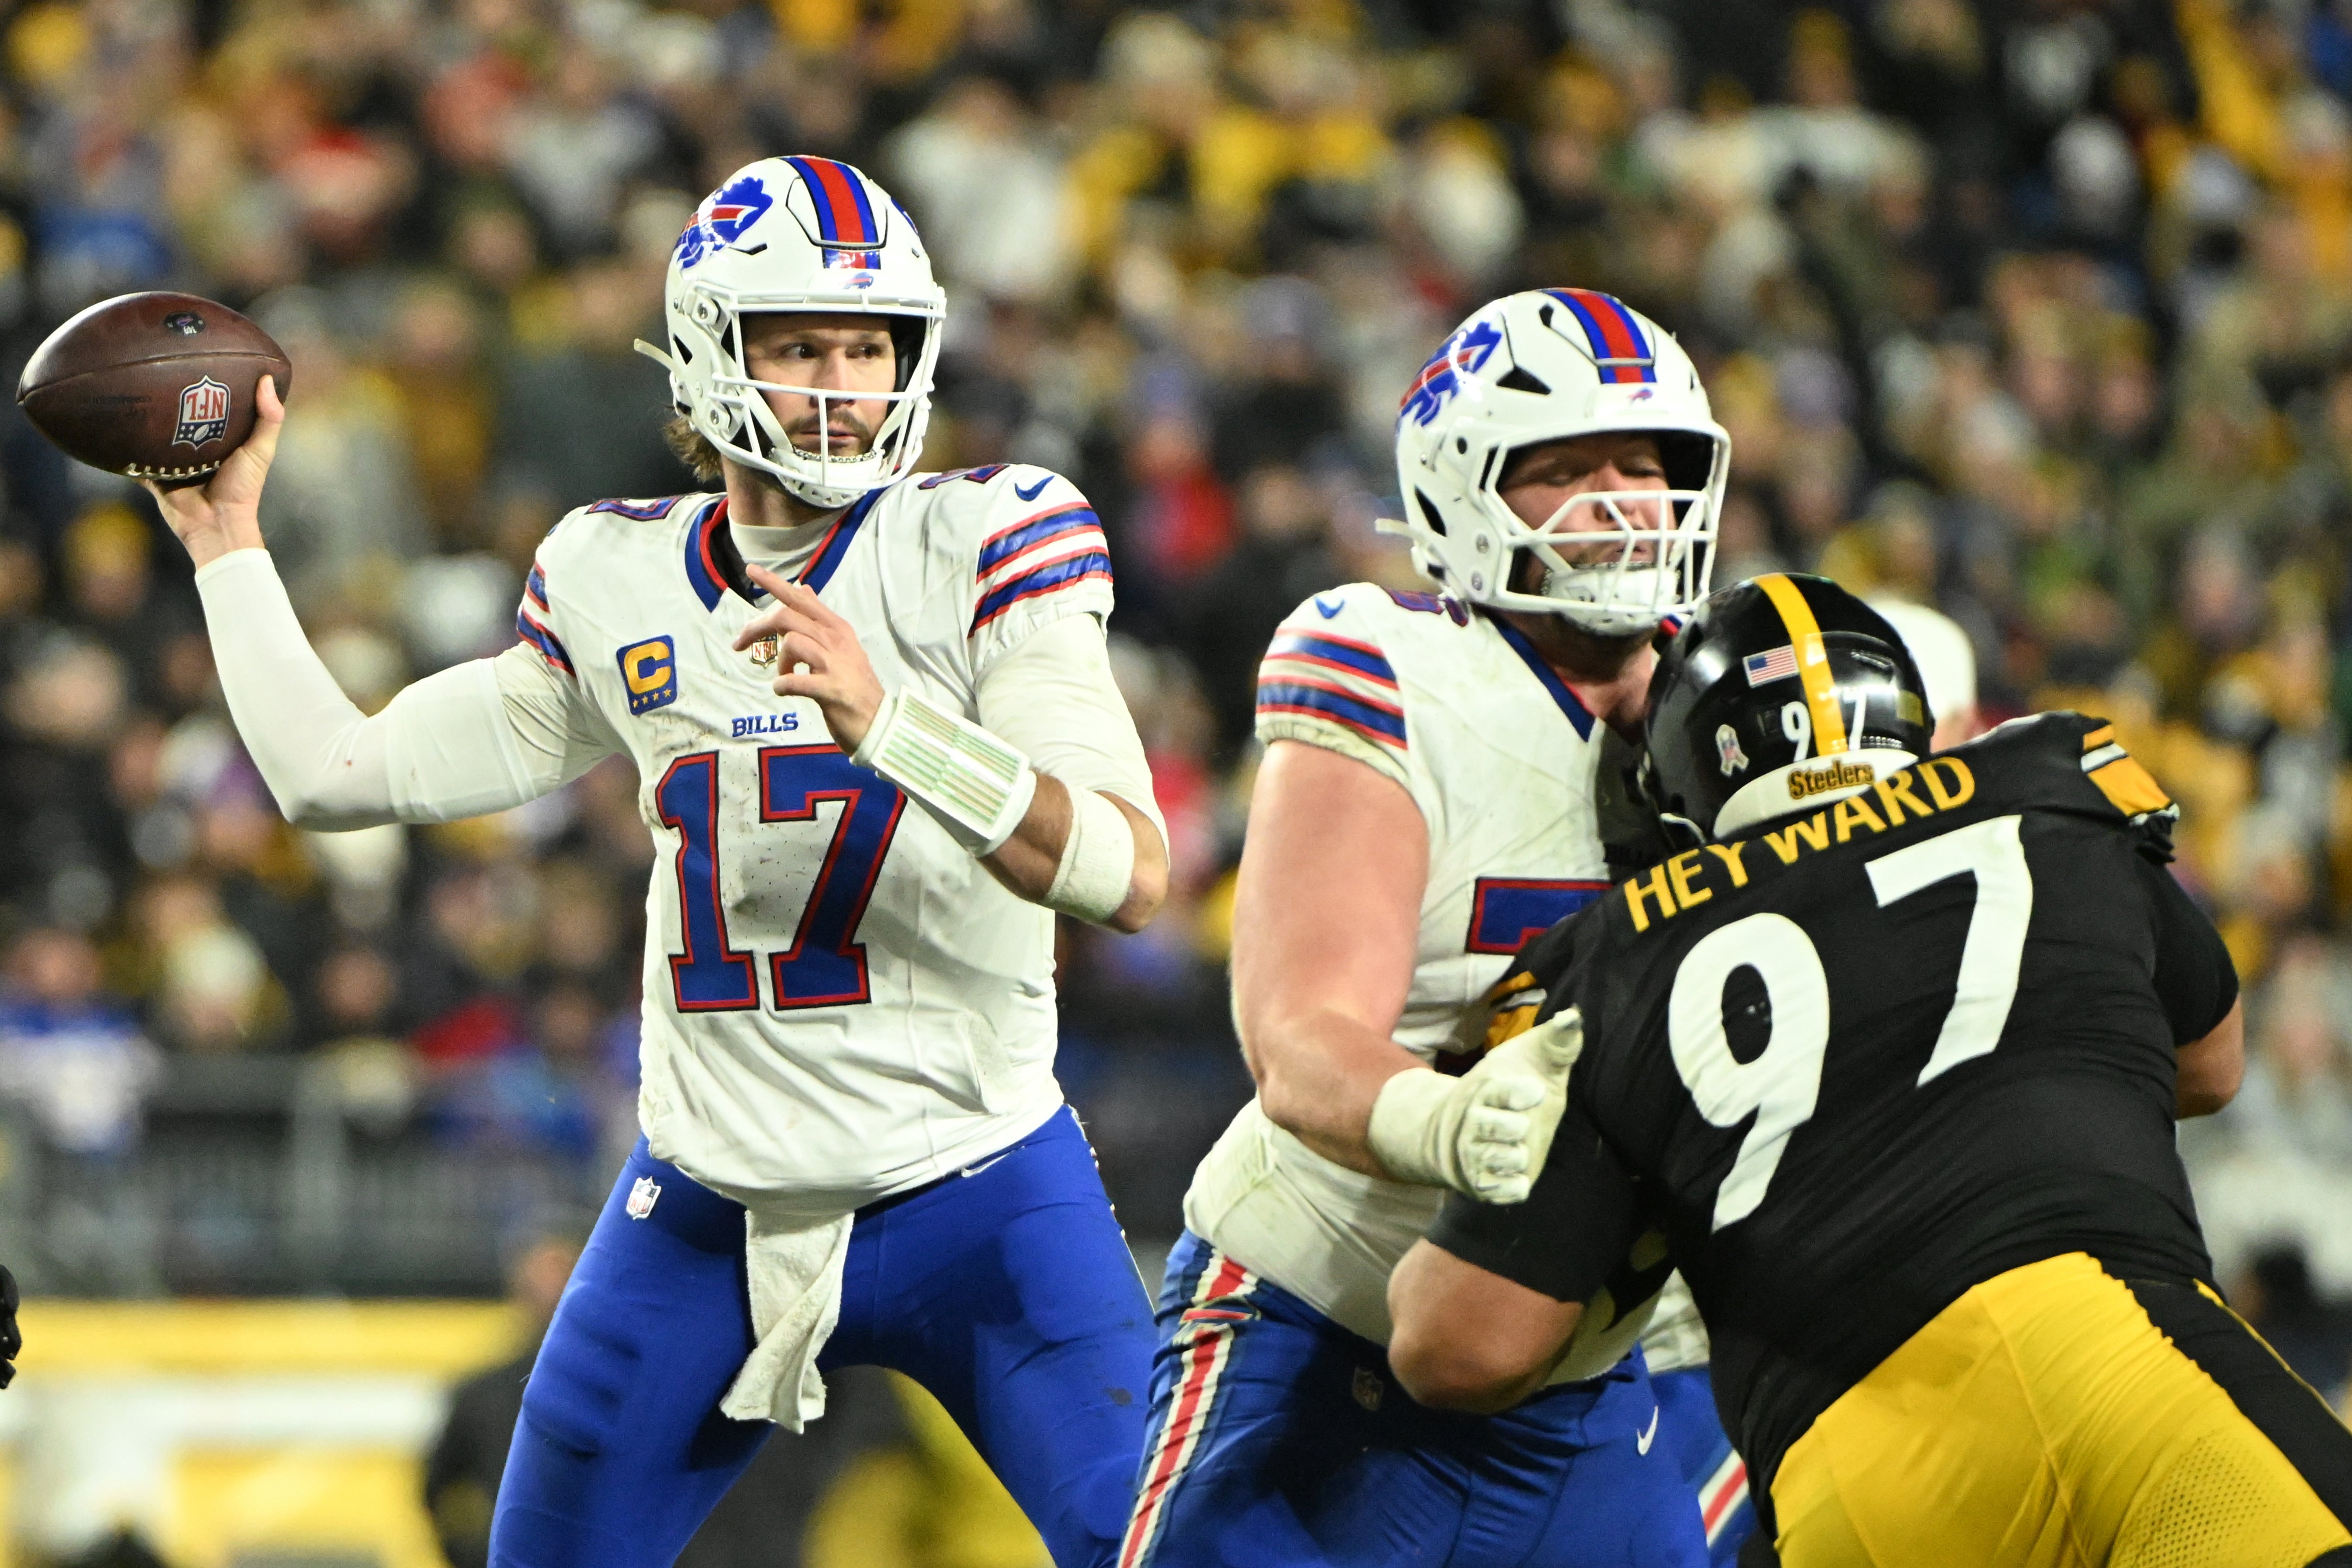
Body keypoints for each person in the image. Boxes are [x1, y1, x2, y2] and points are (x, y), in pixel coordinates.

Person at [153, 156, 1171, 1568]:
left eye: (868, 345)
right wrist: (226, 544)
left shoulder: (991, 536)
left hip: (983, 1181)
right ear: (707, 356)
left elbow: (1127, 868)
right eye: (801, 342)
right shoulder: (614, 573)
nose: (841, 381)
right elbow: (337, 775)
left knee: (1171, 1552)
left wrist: (896, 726)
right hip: (705, 1206)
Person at [1388, 574, 2352, 1566]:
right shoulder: (2048, 789)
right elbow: (2212, 1061)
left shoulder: (1607, 956)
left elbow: (1460, 1344)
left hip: (1850, 1484)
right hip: (2114, 1367)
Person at [1122, 288, 1728, 1568]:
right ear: (1465, 496)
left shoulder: (1746, 706)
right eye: (1565, 471)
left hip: (1583, 1375)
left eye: (1646, 465)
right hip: (1318, 1328)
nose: (1622, 502)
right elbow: (1300, 1035)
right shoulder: (1394, 665)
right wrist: (1445, 1121)